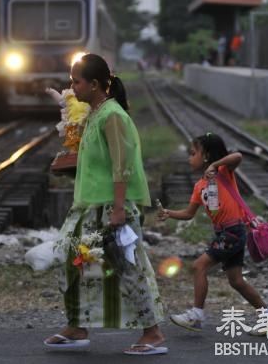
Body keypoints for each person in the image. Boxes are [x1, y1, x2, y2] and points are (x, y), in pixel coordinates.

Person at [44, 53, 167, 355]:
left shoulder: (112, 115)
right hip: (89, 207)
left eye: (76, 82)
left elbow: (121, 164)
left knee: (127, 267)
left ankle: (153, 334)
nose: (71, 88)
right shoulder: (96, 113)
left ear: (95, 84)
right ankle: (77, 326)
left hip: (111, 208)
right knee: (73, 263)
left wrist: (120, 209)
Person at [157, 133, 266, 334]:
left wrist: (215, 165)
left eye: (193, 153)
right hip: (224, 233)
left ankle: (197, 315)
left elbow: (238, 156)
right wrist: (168, 213)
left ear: (206, 155)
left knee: (198, 266)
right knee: (236, 281)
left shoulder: (224, 172)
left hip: (233, 231)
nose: (190, 158)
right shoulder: (199, 186)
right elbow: (189, 213)